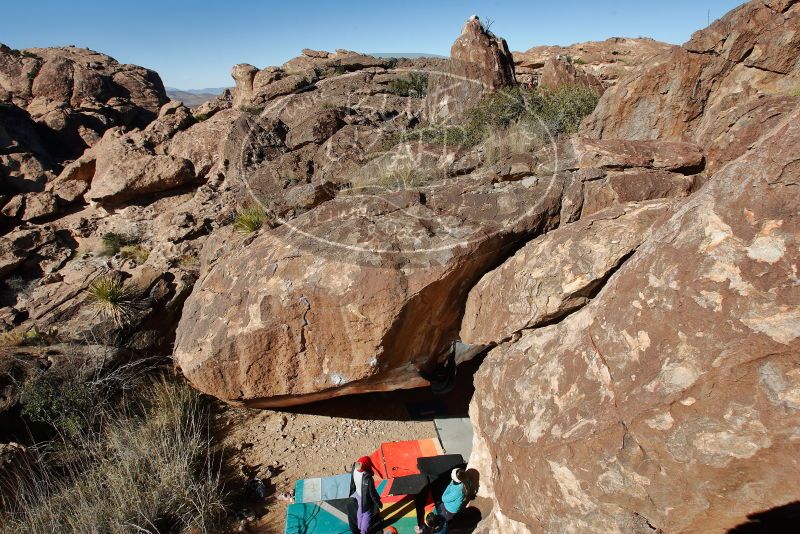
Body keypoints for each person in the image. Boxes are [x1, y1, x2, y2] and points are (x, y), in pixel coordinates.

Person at [349, 456, 382, 534]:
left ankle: (359, 526)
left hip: (357, 493)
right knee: (367, 514)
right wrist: (378, 502)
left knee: (360, 509)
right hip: (365, 498)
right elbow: (372, 493)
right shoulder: (368, 479)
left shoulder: (355, 468)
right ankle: (364, 531)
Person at [437, 468, 470, 534]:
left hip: (449, 510)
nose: (451, 474)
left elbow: (443, 498)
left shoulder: (457, 491)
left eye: (452, 474)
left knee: (443, 520)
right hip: (453, 507)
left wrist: (449, 485)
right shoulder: (465, 481)